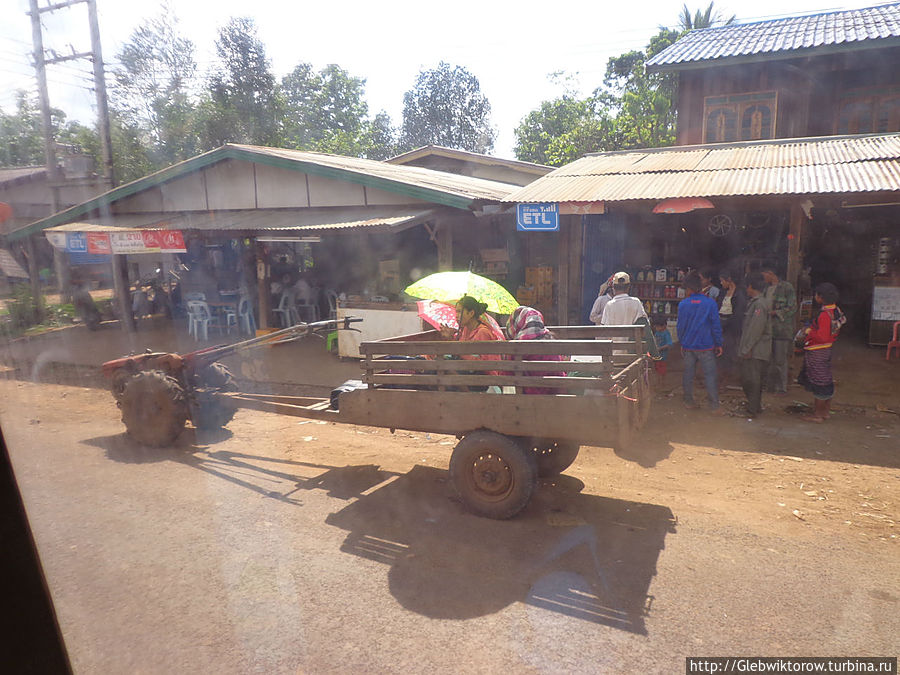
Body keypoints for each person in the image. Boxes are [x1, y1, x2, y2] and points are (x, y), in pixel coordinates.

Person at [798, 282, 846, 423]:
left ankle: (818, 415)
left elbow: (822, 336)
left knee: (819, 382)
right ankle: (825, 412)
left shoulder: (825, 314)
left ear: (820, 297)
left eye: (816, 294)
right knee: (826, 380)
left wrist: (809, 331)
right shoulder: (836, 310)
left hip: (817, 350)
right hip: (827, 348)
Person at [677, 272, 724, 414]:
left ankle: (688, 401)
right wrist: (719, 343)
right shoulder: (710, 303)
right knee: (710, 375)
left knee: (688, 374)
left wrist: (682, 342)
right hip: (706, 346)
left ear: (689, 289)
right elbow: (716, 325)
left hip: (689, 346)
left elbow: (681, 327)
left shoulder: (683, 304)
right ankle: (714, 405)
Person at [439, 295, 504, 378]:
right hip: (467, 373)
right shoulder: (464, 330)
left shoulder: (482, 332)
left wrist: (461, 353)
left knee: (444, 367)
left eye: (459, 312)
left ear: (471, 313)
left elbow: (485, 364)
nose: (456, 316)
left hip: (483, 378)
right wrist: (450, 337)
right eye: (456, 312)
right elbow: (458, 352)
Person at [506, 306, 565, 394]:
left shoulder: (514, 349)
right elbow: (560, 378)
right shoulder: (552, 344)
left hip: (522, 402)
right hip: (554, 400)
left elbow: (506, 377)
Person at [738, 273, 772, 417]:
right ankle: (755, 407)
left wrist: (747, 348)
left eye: (747, 287)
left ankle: (752, 409)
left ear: (751, 287)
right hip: (755, 348)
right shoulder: (757, 302)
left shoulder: (759, 304)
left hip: (756, 350)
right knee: (753, 380)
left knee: (751, 380)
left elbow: (755, 329)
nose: (746, 289)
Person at [762, 265, 797, 395]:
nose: (763, 277)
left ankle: (781, 388)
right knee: (769, 359)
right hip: (768, 330)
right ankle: (770, 386)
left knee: (780, 360)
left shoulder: (787, 287)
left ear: (770, 273)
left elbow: (793, 307)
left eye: (764, 274)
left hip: (782, 330)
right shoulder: (766, 289)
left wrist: (776, 313)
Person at [718, 269, 747, 384]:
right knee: (722, 351)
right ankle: (723, 375)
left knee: (731, 351)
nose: (721, 283)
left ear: (728, 280)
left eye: (722, 281)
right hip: (721, 323)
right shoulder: (722, 292)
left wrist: (727, 323)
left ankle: (731, 376)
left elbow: (738, 313)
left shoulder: (739, 294)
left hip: (732, 326)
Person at [651, 315, 673, 387]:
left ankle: (662, 383)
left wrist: (660, 348)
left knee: (662, 369)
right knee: (657, 368)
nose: (656, 328)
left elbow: (669, 344)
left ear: (664, 326)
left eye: (658, 327)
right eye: (656, 327)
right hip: (657, 355)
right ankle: (658, 382)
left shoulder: (666, 333)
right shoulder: (657, 333)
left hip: (663, 356)